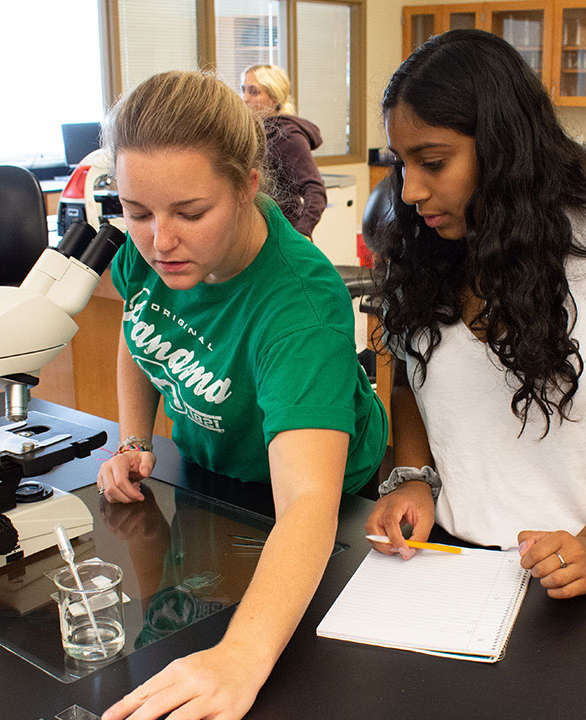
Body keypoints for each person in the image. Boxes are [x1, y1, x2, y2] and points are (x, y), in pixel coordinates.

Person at [364, 30, 586, 597]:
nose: (409, 191)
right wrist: (412, 479)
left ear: (504, 149)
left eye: (432, 162)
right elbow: (410, 376)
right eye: (400, 163)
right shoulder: (424, 246)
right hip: (448, 563)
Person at [94, 70, 386, 720]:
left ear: (247, 186)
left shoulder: (298, 304)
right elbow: (140, 328)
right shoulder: (155, 249)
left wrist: (242, 655)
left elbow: (307, 502)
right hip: (214, 477)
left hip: (326, 505)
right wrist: (134, 439)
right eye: (136, 212)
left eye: (189, 214)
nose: (159, 240)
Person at [240, 64, 326, 236]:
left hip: (284, 234)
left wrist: (301, 234)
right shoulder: (255, 134)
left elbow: (315, 190)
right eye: (243, 90)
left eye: (253, 92)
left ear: (274, 100)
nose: (245, 98)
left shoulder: (288, 135)